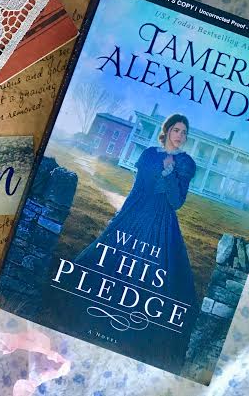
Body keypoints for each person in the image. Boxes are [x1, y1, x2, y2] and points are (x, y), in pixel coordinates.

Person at [74, 113, 198, 373]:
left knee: (154, 269)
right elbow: (138, 188)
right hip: (136, 211)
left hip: (161, 220)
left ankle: (139, 321)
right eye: (176, 130)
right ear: (167, 130)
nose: (180, 136)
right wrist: (121, 215)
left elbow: (176, 202)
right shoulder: (149, 155)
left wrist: (169, 172)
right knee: (115, 258)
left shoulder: (186, 163)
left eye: (184, 132)